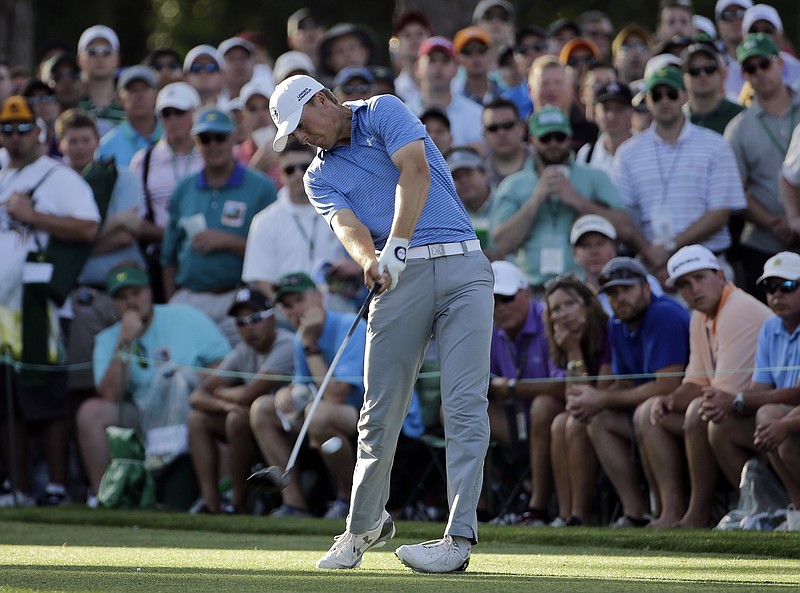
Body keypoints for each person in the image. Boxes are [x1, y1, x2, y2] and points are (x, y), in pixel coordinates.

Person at [269, 74, 494, 572]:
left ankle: (457, 539)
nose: (302, 139)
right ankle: (362, 526)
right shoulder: (316, 175)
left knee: (463, 405)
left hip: (462, 265)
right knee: (379, 410)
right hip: (396, 280)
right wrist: (370, 260)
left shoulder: (383, 111)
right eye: (292, 136)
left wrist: (394, 245)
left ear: (323, 100)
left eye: (301, 125)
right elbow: (346, 225)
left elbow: (414, 172)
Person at [0, 96, 99, 507]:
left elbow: (88, 226)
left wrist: (33, 215)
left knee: (47, 398)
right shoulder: (2, 175)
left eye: (24, 128)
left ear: (39, 133)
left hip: (40, 306)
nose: (16, 136)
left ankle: (57, 486)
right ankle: (16, 486)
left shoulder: (57, 177)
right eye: (7, 128)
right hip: (3, 310)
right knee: (8, 400)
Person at [75, 263, 230, 506]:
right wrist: (125, 341)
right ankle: (103, 497)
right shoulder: (108, 339)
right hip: (142, 411)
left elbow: (227, 363)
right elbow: (110, 394)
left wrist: (187, 379)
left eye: (136, 294)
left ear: (150, 292)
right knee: (90, 413)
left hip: (192, 408)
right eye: (122, 298)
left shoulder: (185, 316)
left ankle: (224, 499)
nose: (131, 303)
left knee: (208, 400)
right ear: (112, 303)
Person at [639, 245, 771, 528]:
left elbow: (717, 397)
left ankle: (701, 513)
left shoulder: (737, 309)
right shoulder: (700, 316)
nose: (694, 289)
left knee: (701, 411)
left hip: (759, 413)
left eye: (700, 278)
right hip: (745, 411)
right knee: (649, 412)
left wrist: (682, 399)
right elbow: (696, 382)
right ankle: (671, 511)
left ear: (720, 275)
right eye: (685, 284)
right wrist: (671, 399)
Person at [567, 257, 690, 527]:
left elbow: (669, 385)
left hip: (683, 408)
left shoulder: (663, 314)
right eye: (612, 292)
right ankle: (635, 514)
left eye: (626, 289)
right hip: (656, 409)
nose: (619, 298)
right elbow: (625, 382)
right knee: (598, 419)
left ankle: (671, 512)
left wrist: (602, 398)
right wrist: (595, 400)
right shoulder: (618, 324)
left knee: (646, 414)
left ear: (646, 288)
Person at [612, 66, 746, 286]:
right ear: (647, 99)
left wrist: (668, 249)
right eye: (657, 95)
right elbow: (623, 214)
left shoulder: (715, 145)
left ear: (684, 95)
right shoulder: (628, 152)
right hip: (652, 270)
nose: (665, 101)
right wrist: (651, 254)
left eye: (671, 94)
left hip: (707, 266)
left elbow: (720, 213)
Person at [160, 107, 275, 344]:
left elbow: (274, 253)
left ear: (233, 138)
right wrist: (174, 300)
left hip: (239, 298)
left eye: (220, 137)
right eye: (205, 139)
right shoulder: (184, 188)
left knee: (235, 374)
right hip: (189, 297)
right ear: (196, 142)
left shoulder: (260, 187)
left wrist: (228, 241)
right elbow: (168, 256)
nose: (213, 145)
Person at [699, 252, 800, 510]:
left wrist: (739, 400)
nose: (777, 294)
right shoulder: (771, 327)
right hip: (786, 412)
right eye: (770, 287)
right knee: (721, 424)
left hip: (790, 412)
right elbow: (760, 389)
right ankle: (766, 510)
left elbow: (796, 394)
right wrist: (734, 403)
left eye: (787, 286)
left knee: (770, 418)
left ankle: (797, 510)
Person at [492, 106, 631, 291]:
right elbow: (500, 245)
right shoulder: (513, 185)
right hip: (533, 290)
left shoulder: (595, 177)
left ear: (569, 137)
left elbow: (625, 229)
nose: (553, 143)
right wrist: (536, 199)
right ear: (532, 139)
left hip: (583, 288)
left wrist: (577, 200)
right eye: (545, 138)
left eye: (560, 137)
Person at [188, 286, 294, 514]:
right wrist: (227, 404)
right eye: (240, 322)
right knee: (198, 419)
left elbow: (249, 394)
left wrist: (222, 394)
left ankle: (238, 503)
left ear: (272, 317)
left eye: (255, 318)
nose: (248, 328)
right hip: (256, 422)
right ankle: (211, 504)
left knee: (237, 418)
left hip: (290, 427)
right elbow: (197, 396)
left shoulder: (287, 344)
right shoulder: (242, 350)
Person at [486, 261, 566, 526]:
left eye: (506, 298)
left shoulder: (550, 318)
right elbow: (475, 380)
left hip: (555, 419)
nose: (500, 307)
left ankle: (537, 507)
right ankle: (477, 510)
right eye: (493, 300)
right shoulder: (488, 327)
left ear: (526, 294)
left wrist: (510, 387)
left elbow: (564, 386)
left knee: (543, 405)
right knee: (456, 409)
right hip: (514, 420)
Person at [724, 34, 800, 298]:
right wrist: (776, 224)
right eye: (750, 68)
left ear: (779, 63)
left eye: (764, 64)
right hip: (764, 243)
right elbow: (736, 190)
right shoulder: (738, 128)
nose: (759, 73)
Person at [546, 273, 613, 526]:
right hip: (592, 411)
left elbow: (597, 394)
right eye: (556, 309)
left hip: (612, 409)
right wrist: (572, 350)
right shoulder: (565, 341)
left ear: (587, 304)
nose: (563, 314)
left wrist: (574, 352)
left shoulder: (607, 331)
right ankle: (565, 515)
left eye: (570, 304)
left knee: (572, 423)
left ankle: (579, 514)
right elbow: (572, 398)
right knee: (559, 422)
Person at [129, 81, 204, 303]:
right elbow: (137, 219)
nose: (172, 120)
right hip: (161, 256)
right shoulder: (144, 160)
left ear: (195, 113)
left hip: (205, 254)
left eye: (179, 113)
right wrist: (175, 237)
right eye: (166, 114)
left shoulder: (209, 151)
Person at [242, 139, 341, 301]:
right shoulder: (265, 221)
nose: (298, 174)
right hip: (288, 316)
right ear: (280, 174)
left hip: (337, 306)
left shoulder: (339, 210)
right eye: (289, 170)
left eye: (304, 167)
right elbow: (260, 278)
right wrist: (290, 310)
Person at [569, 214, 663, 315]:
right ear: (575, 253)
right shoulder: (567, 295)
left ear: (615, 248)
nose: (594, 251)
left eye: (600, 243)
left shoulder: (644, 282)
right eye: (586, 246)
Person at [407, 36, 485, 150]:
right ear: (418, 67)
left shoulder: (477, 114)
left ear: (456, 69)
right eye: (432, 60)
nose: (439, 66)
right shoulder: (404, 114)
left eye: (445, 60)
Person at [98, 66, 163, 168]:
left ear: (157, 94)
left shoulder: (172, 135)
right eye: (131, 90)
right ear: (119, 98)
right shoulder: (106, 146)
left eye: (145, 89)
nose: (138, 96)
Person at [681, 42, 744, 135]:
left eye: (709, 68)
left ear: (721, 73)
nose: (702, 75)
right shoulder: (677, 119)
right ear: (683, 76)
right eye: (694, 70)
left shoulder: (740, 115)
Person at [576, 82, 633, 176]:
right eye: (606, 109)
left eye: (618, 109)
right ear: (595, 113)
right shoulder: (586, 154)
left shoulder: (647, 151)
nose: (612, 116)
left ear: (631, 112)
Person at [76, 25, 124, 136]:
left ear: (117, 59)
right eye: (91, 52)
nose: (99, 57)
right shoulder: (72, 104)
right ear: (79, 59)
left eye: (107, 52)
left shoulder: (129, 105)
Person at [481, 98, 531, 186]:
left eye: (508, 125)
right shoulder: (480, 175)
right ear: (484, 135)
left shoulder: (541, 162)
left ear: (521, 128)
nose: (501, 133)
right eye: (493, 128)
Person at [714, 0, 752, 101]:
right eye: (727, 15)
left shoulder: (773, 59)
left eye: (741, 13)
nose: (736, 21)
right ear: (718, 26)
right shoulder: (709, 62)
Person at [216, 37, 257, 112]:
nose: (238, 64)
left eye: (243, 58)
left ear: (253, 64)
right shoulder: (214, 107)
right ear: (220, 67)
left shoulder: (271, 99)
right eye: (231, 59)